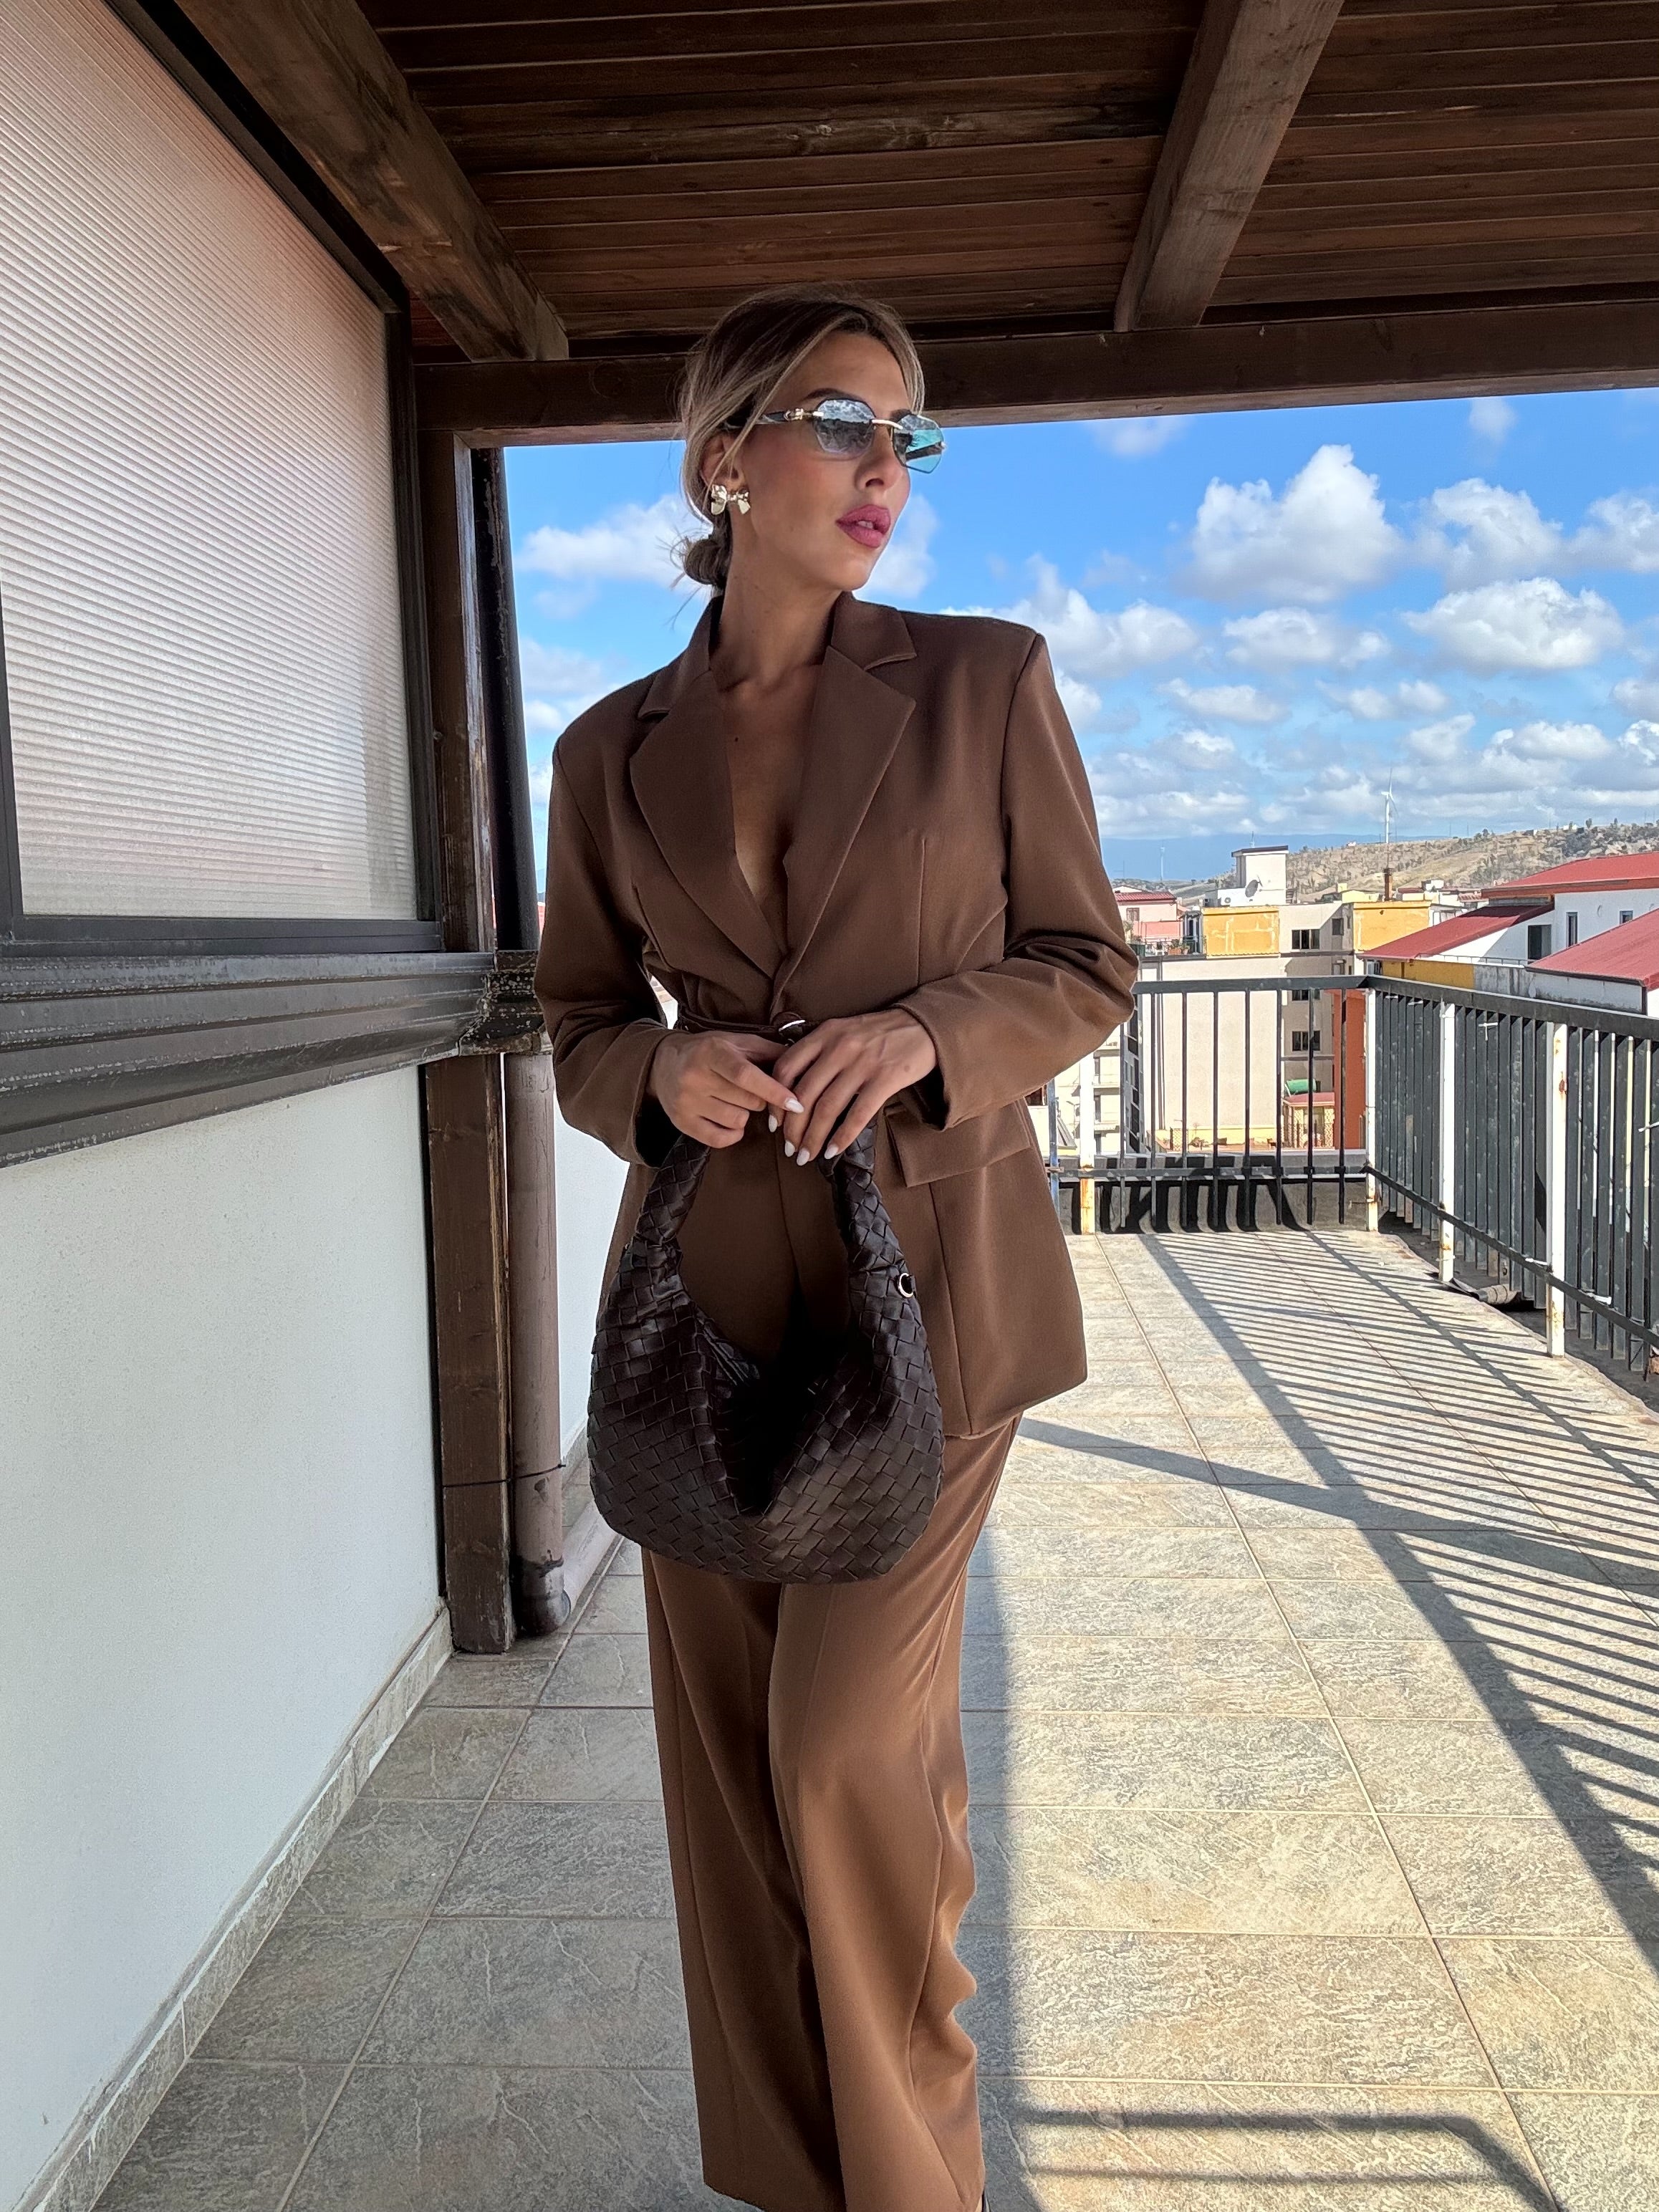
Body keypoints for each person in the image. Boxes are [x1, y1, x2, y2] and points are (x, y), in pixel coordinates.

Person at [534, 284, 1135, 2212]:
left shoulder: (983, 682)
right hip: (702, 1302)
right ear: (726, 460)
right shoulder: (606, 749)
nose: (887, 469)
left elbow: (1085, 964)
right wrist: (660, 1068)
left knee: (845, 1764)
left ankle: (912, 2185)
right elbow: (571, 1020)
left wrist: (927, 1035)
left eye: (907, 435)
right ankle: (790, 2180)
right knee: (732, 1779)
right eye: (842, 423)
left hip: (935, 1294)